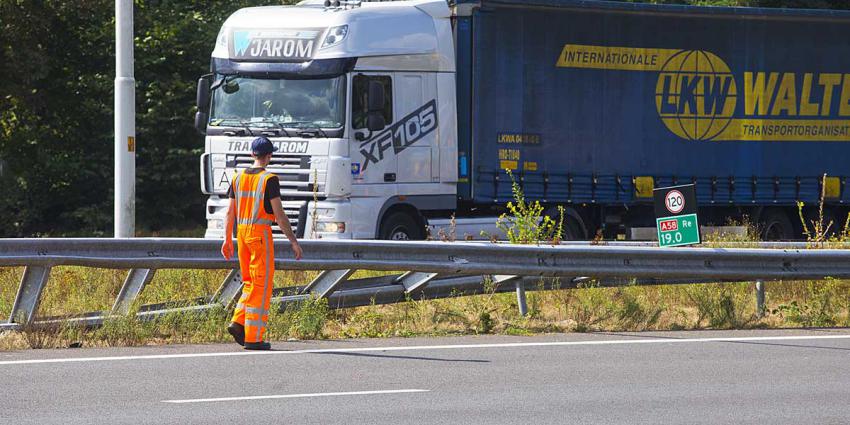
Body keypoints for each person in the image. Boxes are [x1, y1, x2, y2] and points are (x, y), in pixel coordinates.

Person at [220, 136, 303, 350]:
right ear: (269, 156)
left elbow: (229, 212)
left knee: (249, 281)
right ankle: (254, 338)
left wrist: (227, 239)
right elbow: (279, 215)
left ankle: (238, 321)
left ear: (252, 154)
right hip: (259, 234)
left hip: (241, 235)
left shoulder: (237, 177)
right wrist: (293, 241)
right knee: (261, 285)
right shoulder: (269, 179)